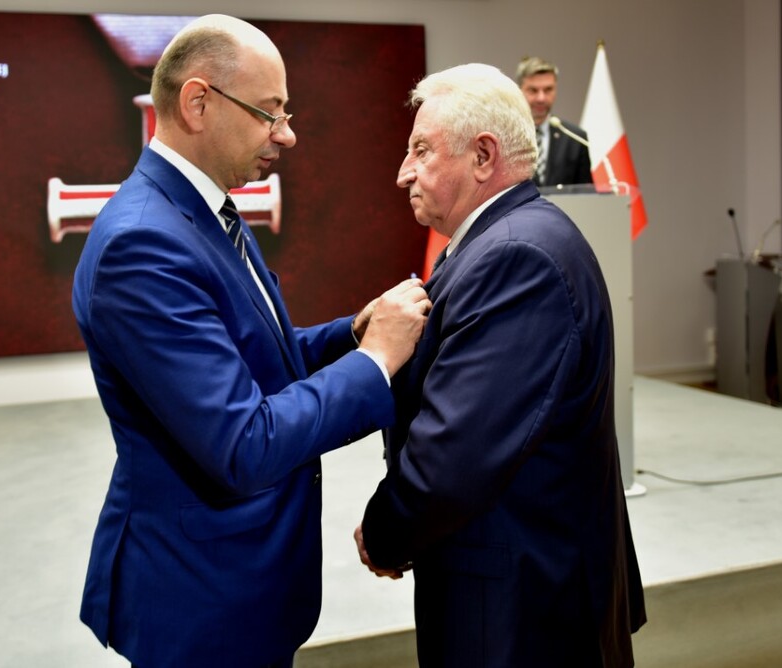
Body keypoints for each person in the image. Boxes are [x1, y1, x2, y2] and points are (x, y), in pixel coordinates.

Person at [72, 14, 431, 668]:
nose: (286, 134)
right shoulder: (143, 245)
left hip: (237, 581)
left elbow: (254, 357)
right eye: (270, 113)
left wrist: (352, 333)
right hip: (201, 597)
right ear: (198, 103)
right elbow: (243, 442)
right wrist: (376, 360)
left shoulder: (201, 213)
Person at [355, 63, 646, 667]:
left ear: (483, 156)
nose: (403, 171)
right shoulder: (509, 239)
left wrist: (384, 532)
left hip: (522, 612)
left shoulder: (515, 257)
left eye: (421, 150)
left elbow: (456, 455)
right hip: (522, 590)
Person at [516, 55, 593, 187]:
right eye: (533, 90)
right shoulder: (505, 135)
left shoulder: (574, 138)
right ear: (519, 90)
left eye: (548, 90)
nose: (541, 98)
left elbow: (584, 193)